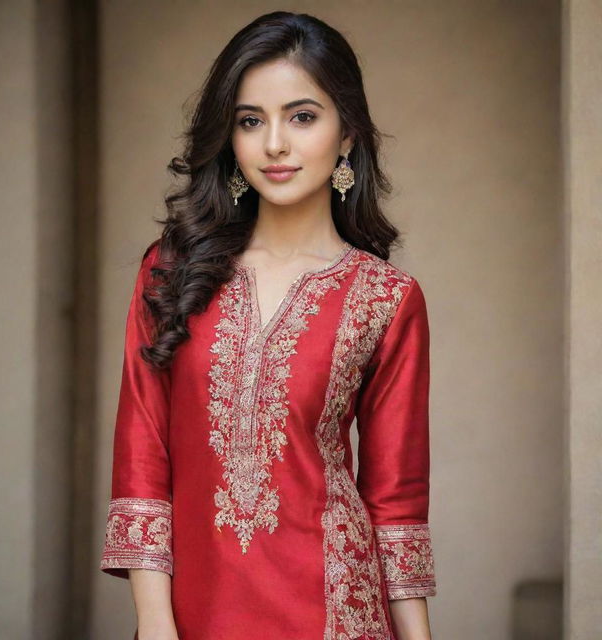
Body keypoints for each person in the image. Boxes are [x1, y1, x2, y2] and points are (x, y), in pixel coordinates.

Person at [99, 10, 437, 640]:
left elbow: (395, 504)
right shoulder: (173, 272)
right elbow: (142, 455)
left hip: (336, 610)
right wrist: (154, 622)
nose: (274, 144)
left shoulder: (386, 298)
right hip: (196, 613)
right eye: (251, 121)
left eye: (302, 117)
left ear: (346, 135)